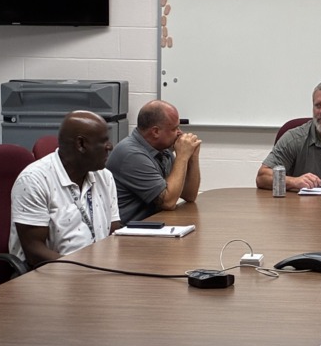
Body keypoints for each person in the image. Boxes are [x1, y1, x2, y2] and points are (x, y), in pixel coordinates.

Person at [10, 110, 122, 267]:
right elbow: (34, 252)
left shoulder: (104, 176)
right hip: (49, 276)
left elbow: (113, 234)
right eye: (103, 141)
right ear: (81, 144)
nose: (110, 146)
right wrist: (84, 268)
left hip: (96, 271)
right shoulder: (33, 180)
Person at [106, 100, 202, 224]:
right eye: (174, 128)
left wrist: (192, 157)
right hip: (128, 235)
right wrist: (182, 157)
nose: (180, 133)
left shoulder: (162, 150)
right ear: (155, 132)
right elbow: (168, 202)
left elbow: (189, 195)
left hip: (152, 226)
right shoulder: (131, 154)